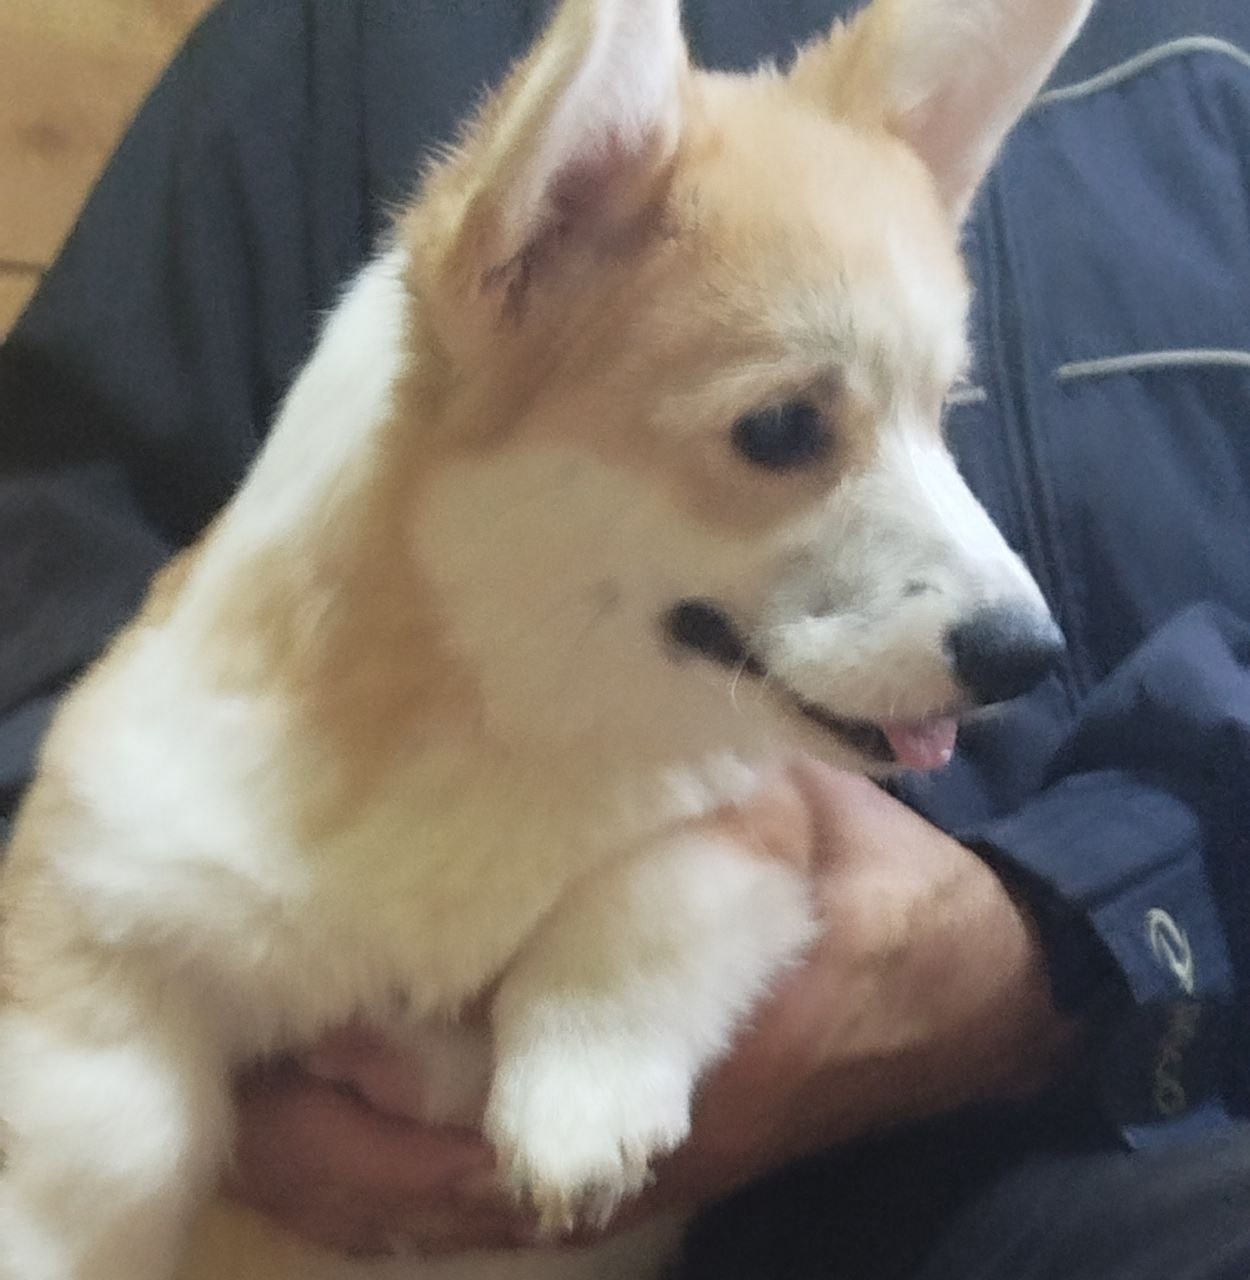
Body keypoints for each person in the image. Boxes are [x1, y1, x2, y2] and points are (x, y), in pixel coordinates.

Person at [2, 1, 1249, 1276]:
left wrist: (1076, 923)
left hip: (1135, 1144)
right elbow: (48, 558)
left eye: (943, 404)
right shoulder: (344, 48)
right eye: (779, 430)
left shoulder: (1206, 62)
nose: (996, 593)